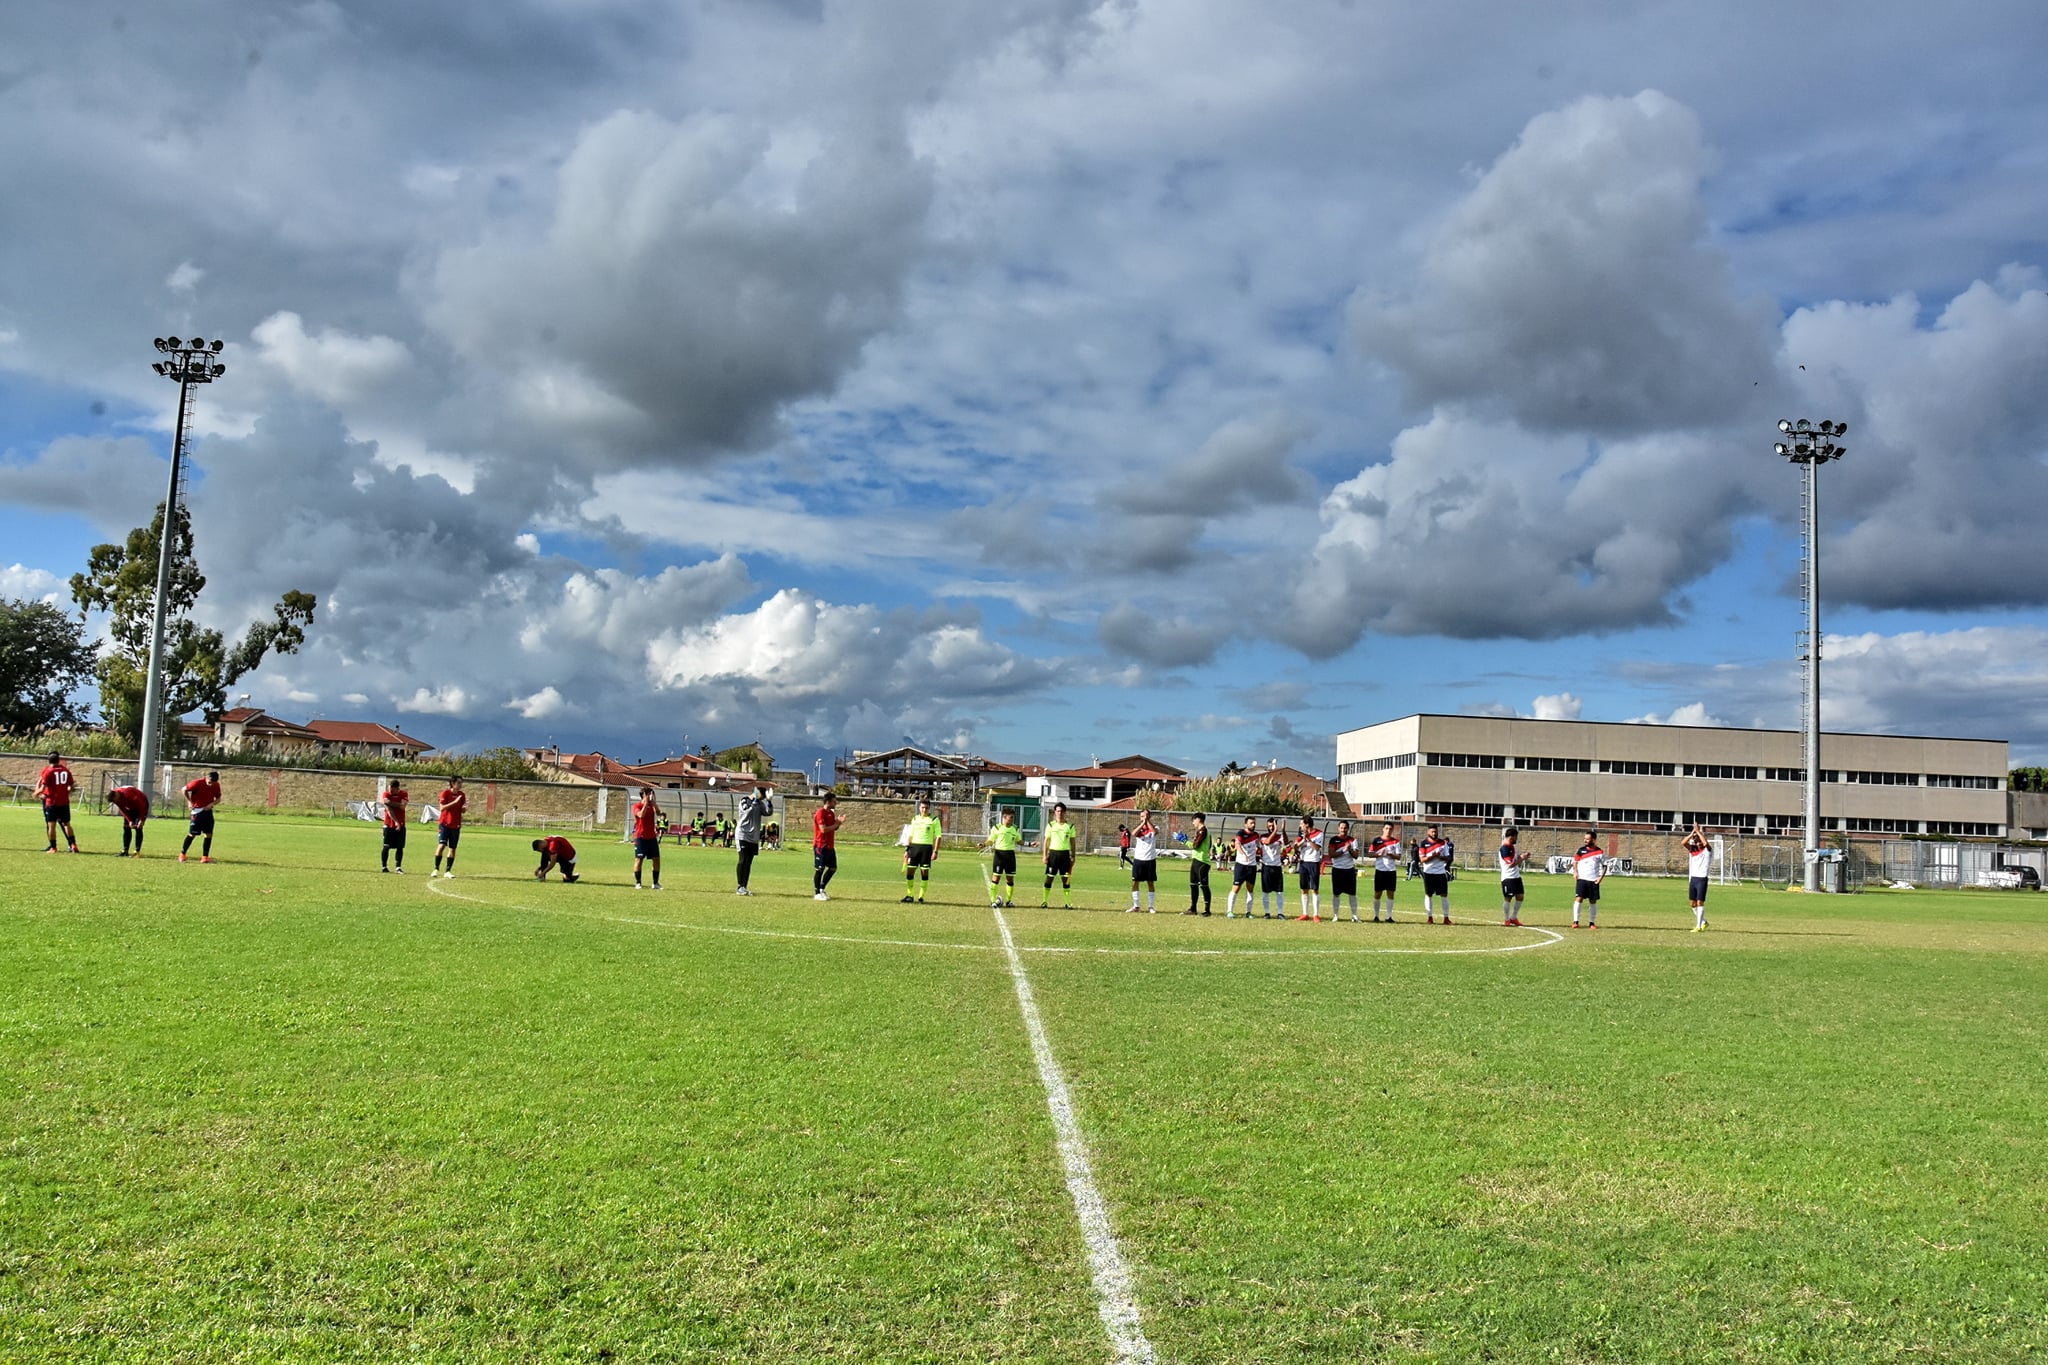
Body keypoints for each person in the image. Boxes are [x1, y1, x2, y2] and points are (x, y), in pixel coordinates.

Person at [35, 752, 79, 853]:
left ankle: (53, 847)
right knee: (67, 824)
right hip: (64, 801)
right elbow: (72, 786)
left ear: (49, 760)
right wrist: (66, 791)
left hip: (52, 802)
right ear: (59, 760)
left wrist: (35, 794)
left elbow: (43, 787)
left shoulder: (48, 771)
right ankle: (73, 845)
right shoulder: (66, 770)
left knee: (51, 825)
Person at [735, 782, 773, 896]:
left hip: (753, 837)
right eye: (762, 797)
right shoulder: (744, 801)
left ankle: (744, 886)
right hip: (743, 834)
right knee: (743, 860)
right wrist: (755, 802)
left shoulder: (760, 803)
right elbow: (746, 813)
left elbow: (767, 812)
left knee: (749, 863)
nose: (762, 799)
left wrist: (769, 802)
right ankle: (739, 886)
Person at [901, 798, 942, 903]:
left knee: (924, 872)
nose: (924, 810)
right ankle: (910, 895)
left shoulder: (934, 820)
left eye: (926, 808)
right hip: (914, 848)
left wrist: (935, 851)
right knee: (910, 871)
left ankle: (921, 896)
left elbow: (938, 836)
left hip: (926, 848)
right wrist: (907, 849)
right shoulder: (915, 819)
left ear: (929, 808)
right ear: (919, 808)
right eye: (923, 807)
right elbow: (911, 835)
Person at [981, 808, 1023, 907]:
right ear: (1004, 817)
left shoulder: (1015, 828)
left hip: (1010, 856)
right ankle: (993, 900)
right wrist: (984, 844)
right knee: (996, 877)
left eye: (1013, 817)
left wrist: (1030, 844)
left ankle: (1008, 901)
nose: (1012, 819)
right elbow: (991, 840)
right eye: (1011, 817)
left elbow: (1019, 841)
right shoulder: (997, 828)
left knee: (1010, 879)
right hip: (999, 855)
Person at [181, 769, 223, 864]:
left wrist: (211, 804)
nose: (211, 784)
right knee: (192, 834)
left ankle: (205, 857)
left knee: (208, 834)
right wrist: (189, 801)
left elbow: (219, 798)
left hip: (208, 812)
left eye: (213, 782)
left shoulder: (216, 785)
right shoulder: (197, 783)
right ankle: (182, 854)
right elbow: (184, 789)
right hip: (197, 811)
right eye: (209, 782)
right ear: (206, 778)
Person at [1040, 802, 1078, 908]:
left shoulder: (1070, 826)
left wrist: (1073, 856)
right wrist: (1044, 855)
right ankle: (1044, 901)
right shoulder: (1051, 825)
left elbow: (1073, 842)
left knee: (1066, 879)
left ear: (1064, 812)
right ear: (1055, 812)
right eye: (1057, 811)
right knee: (1049, 878)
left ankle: (1067, 903)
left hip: (1065, 855)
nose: (1059, 813)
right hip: (1053, 855)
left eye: (1061, 811)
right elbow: (1046, 841)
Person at [1418, 823, 1454, 924]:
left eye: (1435, 831)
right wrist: (1433, 856)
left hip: (1440, 872)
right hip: (1429, 873)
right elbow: (1422, 859)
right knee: (1428, 894)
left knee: (1444, 895)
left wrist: (1440, 857)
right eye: (1432, 831)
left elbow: (1448, 857)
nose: (1434, 833)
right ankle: (1430, 917)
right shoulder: (1423, 844)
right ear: (1428, 832)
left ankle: (1446, 918)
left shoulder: (1443, 843)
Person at [432, 775, 467, 879]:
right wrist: (454, 802)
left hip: (455, 825)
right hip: (445, 824)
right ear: (453, 783)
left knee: (452, 849)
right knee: (442, 845)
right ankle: (436, 869)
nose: (460, 785)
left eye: (461, 783)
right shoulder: (445, 793)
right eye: (459, 783)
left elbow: (462, 809)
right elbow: (442, 808)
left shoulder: (462, 795)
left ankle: (447, 871)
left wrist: (464, 808)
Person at [1225, 816, 1260, 918]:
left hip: (1252, 866)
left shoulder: (1256, 835)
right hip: (1241, 865)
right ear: (1246, 824)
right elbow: (1237, 845)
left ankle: (1248, 912)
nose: (1253, 825)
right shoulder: (1240, 833)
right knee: (1236, 888)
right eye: (1251, 823)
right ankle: (1229, 911)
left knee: (1250, 889)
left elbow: (1258, 846)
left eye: (1254, 823)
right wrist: (1243, 854)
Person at [630, 785, 664, 890]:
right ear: (643, 795)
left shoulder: (651, 806)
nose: (650, 796)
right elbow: (641, 815)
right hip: (640, 837)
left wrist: (653, 803)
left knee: (656, 859)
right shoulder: (636, 806)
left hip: (652, 837)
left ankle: (655, 883)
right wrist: (645, 804)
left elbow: (659, 813)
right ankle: (638, 882)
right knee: (639, 859)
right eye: (649, 794)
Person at [1367, 823, 1403, 922]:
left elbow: (1399, 856)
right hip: (1380, 870)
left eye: (1390, 829)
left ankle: (1388, 917)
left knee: (1390, 893)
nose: (1388, 830)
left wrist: (1392, 855)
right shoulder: (1377, 841)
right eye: (1386, 828)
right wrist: (1379, 854)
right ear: (1383, 829)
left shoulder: (1395, 842)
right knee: (1378, 893)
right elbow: (1370, 854)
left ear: (1392, 830)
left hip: (1391, 871)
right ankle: (1376, 916)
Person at [1327, 820, 1361, 922]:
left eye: (1345, 828)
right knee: (1336, 893)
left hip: (1349, 870)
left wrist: (1350, 850)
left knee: (1352, 893)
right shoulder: (1333, 840)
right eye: (1341, 828)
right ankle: (1336, 915)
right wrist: (1343, 850)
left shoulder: (1353, 840)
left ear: (1348, 829)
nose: (1343, 830)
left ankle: (1354, 916)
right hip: (1337, 869)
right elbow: (1331, 854)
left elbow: (1356, 856)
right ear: (1338, 828)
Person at [1126, 810, 1159, 913]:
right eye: (1142, 816)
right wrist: (1142, 823)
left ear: (1149, 816)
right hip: (1138, 859)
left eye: (1145, 816)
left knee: (1150, 883)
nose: (1143, 818)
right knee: (1135, 882)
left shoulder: (1155, 827)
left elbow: (1154, 832)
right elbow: (1134, 833)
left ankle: (1151, 906)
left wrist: (1147, 821)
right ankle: (1136, 906)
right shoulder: (1139, 828)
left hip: (1150, 859)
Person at [1294, 816, 1325, 921]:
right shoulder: (1300, 834)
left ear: (1307, 824)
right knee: (1304, 889)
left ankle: (1316, 914)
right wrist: (1303, 839)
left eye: (1301, 823)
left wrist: (1308, 839)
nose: (1300, 826)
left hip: (1314, 863)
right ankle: (1305, 913)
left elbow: (1317, 848)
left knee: (1315, 889)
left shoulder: (1319, 833)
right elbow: (1295, 847)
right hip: (1303, 863)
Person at [812, 792, 843, 900]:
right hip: (821, 845)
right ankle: (816, 893)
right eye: (834, 801)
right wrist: (836, 824)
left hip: (830, 846)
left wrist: (838, 823)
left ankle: (821, 889)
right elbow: (823, 829)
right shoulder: (820, 812)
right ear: (828, 802)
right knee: (819, 869)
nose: (836, 803)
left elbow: (834, 827)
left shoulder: (831, 813)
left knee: (833, 868)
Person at [1571, 830, 1605, 929]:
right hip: (1582, 879)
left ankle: (1592, 923)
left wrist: (1600, 878)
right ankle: (1575, 921)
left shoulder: (1600, 852)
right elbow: (1575, 862)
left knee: (1593, 901)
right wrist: (1575, 872)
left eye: (1587, 839)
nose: (1585, 840)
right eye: (1585, 839)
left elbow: (1605, 866)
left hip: (1593, 880)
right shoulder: (1581, 850)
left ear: (1593, 840)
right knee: (1579, 898)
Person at [108, 783, 151, 857]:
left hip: (141, 805)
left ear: (116, 795)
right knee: (126, 827)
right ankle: (125, 850)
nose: (115, 802)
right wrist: (130, 820)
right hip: (130, 807)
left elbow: (141, 805)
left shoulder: (127, 793)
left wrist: (141, 819)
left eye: (115, 800)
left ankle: (137, 852)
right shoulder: (115, 799)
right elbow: (123, 809)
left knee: (138, 828)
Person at [1683, 823, 1711, 931]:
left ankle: (1698, 926)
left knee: (1700, 902)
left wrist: (1698, 832)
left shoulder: (1707, 850)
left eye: (1699, 841)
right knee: (1692, 903)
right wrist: (1692, 833)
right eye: (1696, 841)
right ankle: (1704, 921)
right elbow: (1683, 842)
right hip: (1693, 878)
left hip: (1702, 878)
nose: (1698, 843)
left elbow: (1705, 843)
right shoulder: (1693, 850)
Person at [1184, 812, 1213, 916]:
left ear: (1198, 820)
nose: (1193, 823)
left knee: (1204, 886)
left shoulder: (1203, 831)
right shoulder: (1202, 831)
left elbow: (1196, 845)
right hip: (1196, 860)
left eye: (1193, 820)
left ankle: (1207, 910)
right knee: (1193, 884)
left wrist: (1184, 841)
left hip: (1202, 862)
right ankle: (1193, 908)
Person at [1498, 826, 1527, 926]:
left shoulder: (1511, 847)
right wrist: (1521, 859)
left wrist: (1521, 856)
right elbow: (1510, 864)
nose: (1516, 839)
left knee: (1520, 897)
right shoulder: (1504, 848)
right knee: (1508, 898)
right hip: (1508, 878)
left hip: (1516, 876)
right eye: (1516, 837)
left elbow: (1514, 859)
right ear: (1512, 837)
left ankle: (1513, 917)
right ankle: (1507, 919)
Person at [379, 778, 409, 874]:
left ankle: (398, 867)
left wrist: (391, 803)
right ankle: (384, 866)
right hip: (388, 824)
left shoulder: (404, 794)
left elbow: (402, 806)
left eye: (392, 790)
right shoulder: (386, 794)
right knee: (386, 846)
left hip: (401, 824)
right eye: (389, 789)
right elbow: (388, 808)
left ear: (397, 789)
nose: (390, 792)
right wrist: (397, 805)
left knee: (400, 847)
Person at [1258, 818, 1286, 918]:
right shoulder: (1263, 836)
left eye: (1273, 826)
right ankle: (1267, 913)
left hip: (1277, 867)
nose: (1271, 828)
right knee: (1266, 891)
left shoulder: (1279, 837)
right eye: (1269, 826)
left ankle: (1280, 913)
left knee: (1279, 891)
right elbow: (1268, 842)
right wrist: (1275, 831)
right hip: (1266, 866)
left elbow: (1286, 843)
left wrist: (1283, 831)